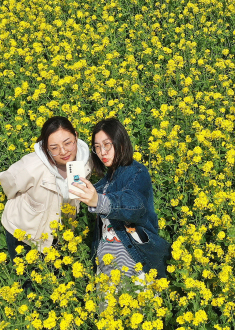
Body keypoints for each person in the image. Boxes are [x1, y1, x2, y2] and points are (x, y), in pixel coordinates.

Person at [69, 118, 170, 284]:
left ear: (121, 142)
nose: (102, 152)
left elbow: (134, 205)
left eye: (107, 144)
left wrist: (99, 201)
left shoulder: (137, 172)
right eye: (97, 147)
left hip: (134, 271)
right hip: (106, 274)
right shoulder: (103, 183)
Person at [0, 116, 93, 265]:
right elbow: (8, 182)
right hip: (25, 233)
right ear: (46, 148)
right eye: (54, 148)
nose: (63, 151)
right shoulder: (31, 166)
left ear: (76, 135)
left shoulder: (85, 161)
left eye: (68, 143)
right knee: (28, 282)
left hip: (60, 233)